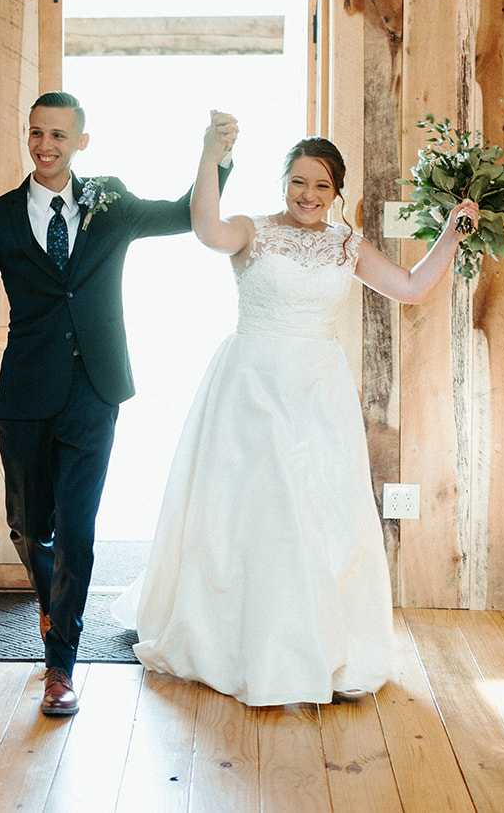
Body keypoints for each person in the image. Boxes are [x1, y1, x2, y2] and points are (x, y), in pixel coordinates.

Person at [112, 123, 478, 705]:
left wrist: (453, 235)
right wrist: (210, 154)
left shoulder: (346, 245)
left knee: (316, 513)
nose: (307, 195)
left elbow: (409, 288)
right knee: (252, 510)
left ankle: (314, 640)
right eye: (297, 182)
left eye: (321, 185)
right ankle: (234, 639)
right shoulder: (253, 233)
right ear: (283, 183)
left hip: (319, 391)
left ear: (337, 192)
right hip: (251, 386)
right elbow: (206, 228)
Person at [0, 91, 232, 717]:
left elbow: (185, 215)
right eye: (35, 134)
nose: (44, 146)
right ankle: (54, 598)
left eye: (57, 135)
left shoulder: (110, 201)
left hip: (95, 390)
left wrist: (214, 155)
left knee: (78, 529)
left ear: (82, 141)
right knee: (29, 526)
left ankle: (61, 665)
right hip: (23, 395)